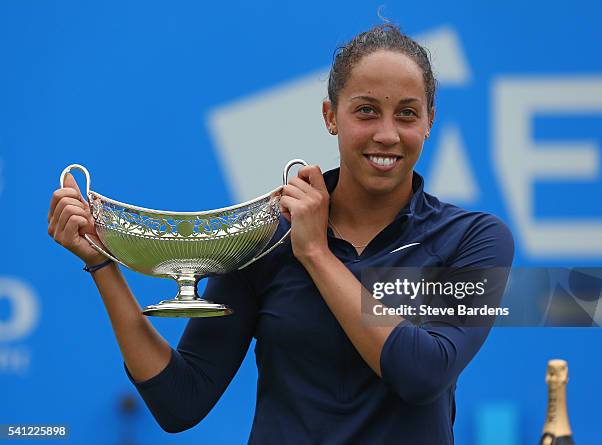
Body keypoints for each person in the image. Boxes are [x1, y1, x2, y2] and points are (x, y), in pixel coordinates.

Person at [47, 24, 513, 444]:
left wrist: (316, 253)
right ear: (331, 116)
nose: (387, 134)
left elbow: (421, 373)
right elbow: (180, 401)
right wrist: (102, 264)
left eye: (407, 114)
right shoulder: (267, 235)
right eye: (366, 111)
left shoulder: (474, 240)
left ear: (430, 120)